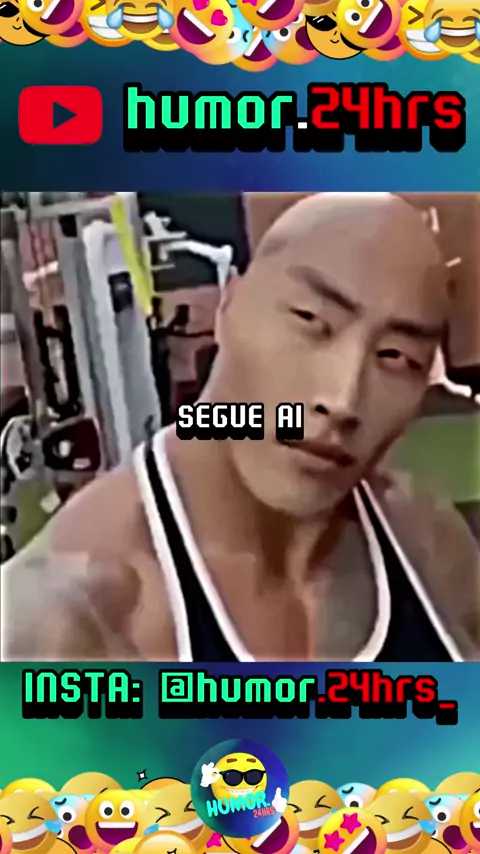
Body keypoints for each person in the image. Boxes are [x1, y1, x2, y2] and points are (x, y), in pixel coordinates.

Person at [2, 193, 479, 662]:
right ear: (229, 304)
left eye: (397, 356)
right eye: (310, 319)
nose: (342, 400)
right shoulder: (61, 622)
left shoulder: (430, 546)